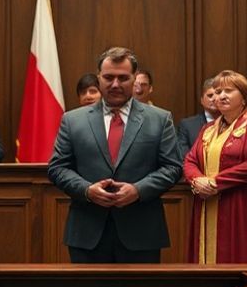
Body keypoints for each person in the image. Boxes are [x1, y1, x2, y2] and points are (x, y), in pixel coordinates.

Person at [48, 47, 181, 263]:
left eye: (123, 78)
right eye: (109, 77)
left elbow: (173, 167)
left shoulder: (159, 119)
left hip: (142, 233)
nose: (115, 84)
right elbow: (57, 168)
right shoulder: (73, 120)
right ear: (99, 77)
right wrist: (87, 190)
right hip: (87, 232)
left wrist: (138, 190)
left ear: (135, 79)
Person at [183, 70, 247, 263]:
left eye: (228, 91)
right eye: (216, 91)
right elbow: (190, 160)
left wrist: (213, 183)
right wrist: (196, 180)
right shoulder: (207, 129)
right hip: (207, 202)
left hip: (243, 203)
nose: (220, 96)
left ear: (244, 97)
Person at [177, 78, 217, 155]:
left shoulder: (233, 123)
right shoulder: (187, 125)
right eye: (210, 95)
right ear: (202, 100)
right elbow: (183, 158)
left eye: (217, 95)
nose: (214, 99)